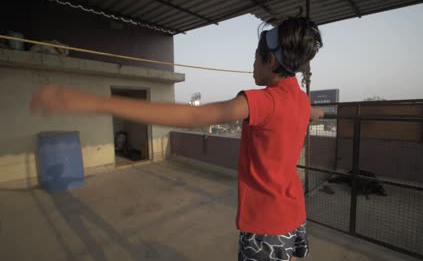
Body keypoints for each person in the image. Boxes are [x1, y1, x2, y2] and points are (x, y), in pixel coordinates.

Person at [30, 17, 323, 261]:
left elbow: (194, 117)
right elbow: (313, 113)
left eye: (255, 59)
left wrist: (95, 103)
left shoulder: (261, 101)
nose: (253, 66)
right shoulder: (302, 102)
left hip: (266, 224)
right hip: (295, 215)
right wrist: (319, 112)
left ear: (270, 59)